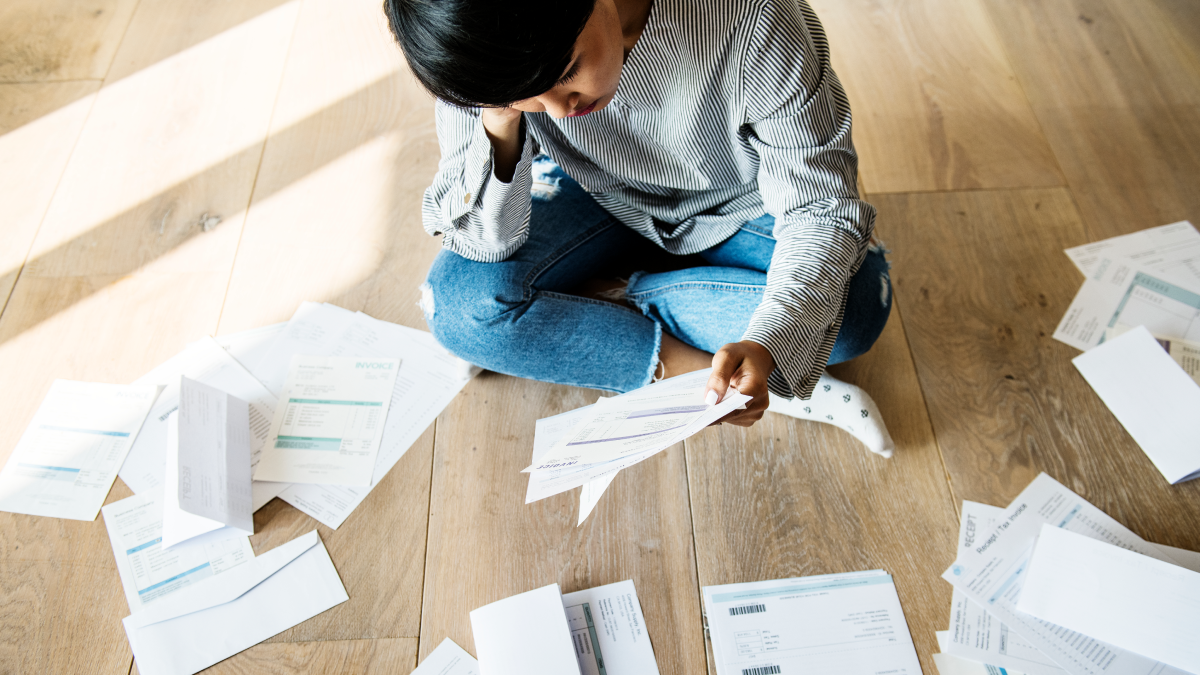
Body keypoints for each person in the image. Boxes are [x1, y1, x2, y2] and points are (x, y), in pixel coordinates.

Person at [384, 0, 894, 455]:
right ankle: (717, 385)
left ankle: (588, 310)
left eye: (566, 71)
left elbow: (820, 207)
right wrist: (499, 118)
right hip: (596, 193)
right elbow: (481, 241)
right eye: (527, 100)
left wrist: (769, 338)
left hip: (743, 203)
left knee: (854, 316)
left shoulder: (753, 18)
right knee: (459, 306)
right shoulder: (477, 50)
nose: (561, 111)